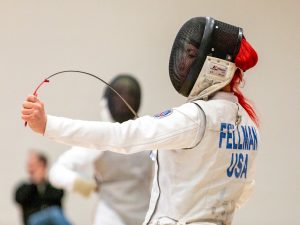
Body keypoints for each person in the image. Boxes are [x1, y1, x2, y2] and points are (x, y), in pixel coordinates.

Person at [22, 16, 260, 225]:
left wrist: (47, 125)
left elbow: (122, 136)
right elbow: (244, 191)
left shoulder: (196, 118)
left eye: (191, 55)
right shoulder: (249, 126)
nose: (184, 62)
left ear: (214, 66)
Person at [48, 75, 153, 225]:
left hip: (145, 212)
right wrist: (81, 184)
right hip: (111, 214)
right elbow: (56, 171)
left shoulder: (145, 134)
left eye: (129, 94)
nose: (124, 99)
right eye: (119, 95)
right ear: (108, 101)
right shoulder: (102, 137)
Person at [14, 151, 72, 225]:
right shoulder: (25, 187)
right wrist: (35, 182)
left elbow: (59, 195)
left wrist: (44, 181)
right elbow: (19, 198)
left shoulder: (53, 185)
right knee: (54, 213)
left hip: (52, 220)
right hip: (33, 221)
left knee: (54, 213)